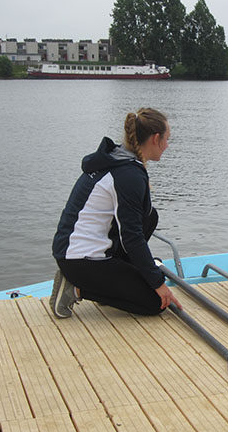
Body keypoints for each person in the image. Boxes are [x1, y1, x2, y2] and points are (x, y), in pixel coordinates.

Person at [50, 108, 182, 317]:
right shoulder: (128, 174)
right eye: (167, 139)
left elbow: (136, 227)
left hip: (75, 251)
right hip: (79, 259)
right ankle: (75, 289)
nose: (167, 145)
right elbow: (131, 237)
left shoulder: (119, 158)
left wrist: (145, 270)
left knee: (149, 216)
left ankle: (112, 283)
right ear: (156, 139)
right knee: (155, 303)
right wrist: (157, 283)